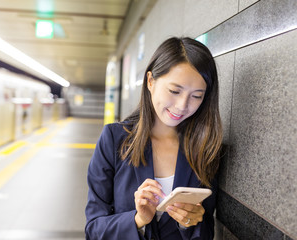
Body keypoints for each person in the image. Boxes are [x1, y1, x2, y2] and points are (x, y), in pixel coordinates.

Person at [85, 37, 222, 240]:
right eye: (174, 91)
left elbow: (206, 231)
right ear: (150, 81)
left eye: (196, 96)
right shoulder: (114, 139)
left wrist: (188, 224)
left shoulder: (205, 148)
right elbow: (94, 230)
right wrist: (138, 220)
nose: (182, 105)